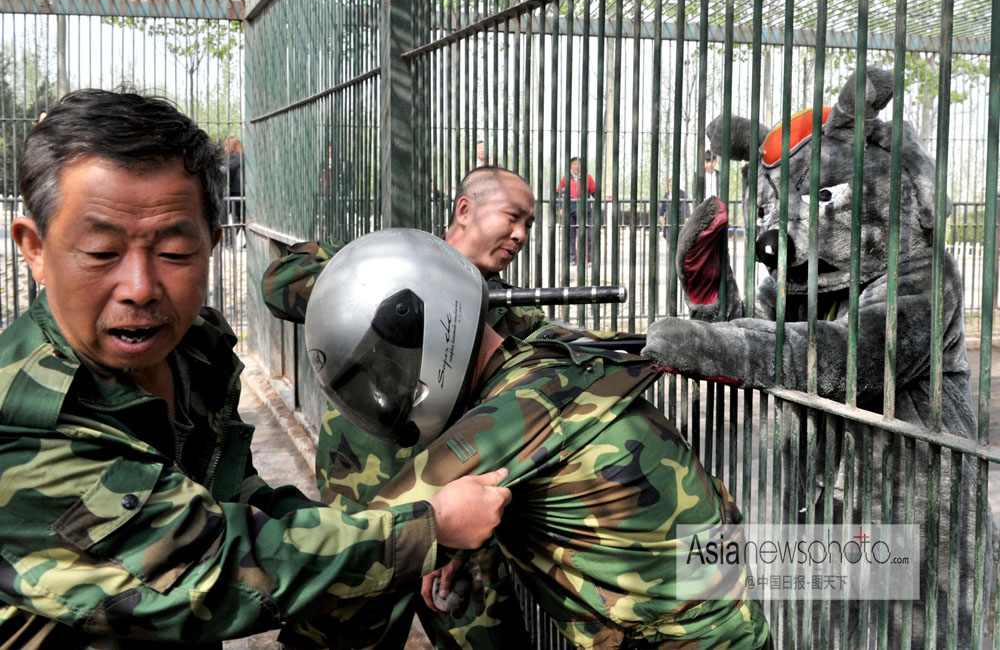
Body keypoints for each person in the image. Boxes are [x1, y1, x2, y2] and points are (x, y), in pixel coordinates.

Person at [0, 88, 510, 649]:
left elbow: (230, 492)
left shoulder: (192, 348)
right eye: (101, 252)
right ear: (35, 249)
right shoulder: (23, 427)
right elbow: (204, 572)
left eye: (173, 253)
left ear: (213, 244)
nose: (141, 288)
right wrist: (423, 530)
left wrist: (373, 530)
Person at [304, 229, 771, 650]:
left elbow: (365, 545)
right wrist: (451, 543)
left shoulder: (505, 419)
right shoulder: (544, 358)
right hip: (725, 617)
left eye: (390, 364)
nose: (391, 386)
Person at [261, 166, 545, 649]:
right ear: (464, 210)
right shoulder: (386, 262)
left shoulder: (510, 317)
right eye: (513, 217)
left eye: (529, 227)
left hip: (458, 523)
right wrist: (386, 297)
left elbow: (565, 361)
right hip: (366, 514)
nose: (520, 235)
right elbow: (278, 282)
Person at [556, 156, 596, 265]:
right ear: (570, 166)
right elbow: (557, 194)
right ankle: (572, 259)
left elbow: (594, 192)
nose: (576, 166)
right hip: (570, 207)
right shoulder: (566, 178)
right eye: (574, 164)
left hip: (585, 207)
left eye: (579, 164)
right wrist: (560, 207)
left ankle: (590, 260)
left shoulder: (588, 178)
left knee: (589, 235)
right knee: (570, 235)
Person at [222, 135, 243, 225]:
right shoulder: (244, 157)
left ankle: (227, 239)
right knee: (240, 220)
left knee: (230, 220)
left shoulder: (234, 157)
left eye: (227, 145)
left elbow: (226, 173)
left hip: (235, 193)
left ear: (233, 146)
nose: (225, 149)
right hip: (243, 193)